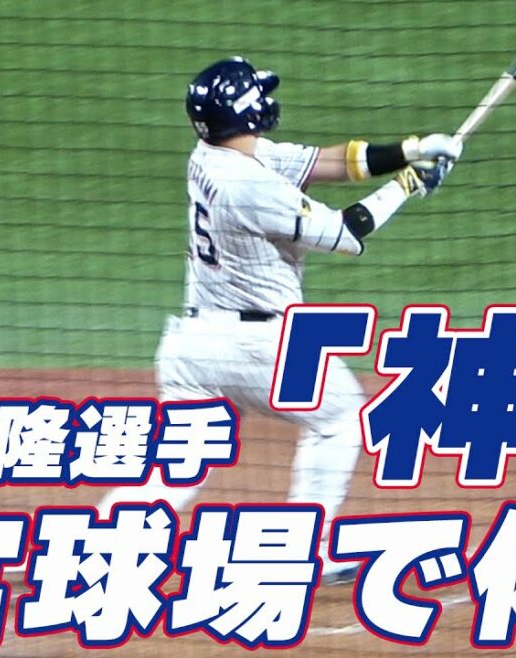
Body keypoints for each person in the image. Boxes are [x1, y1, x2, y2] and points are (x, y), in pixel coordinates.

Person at [97, 57, 462, 582]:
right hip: (255, 348)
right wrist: (407, 185)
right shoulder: (249, 185)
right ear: (248, 110)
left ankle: (99, 544)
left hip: (192, 347)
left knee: (180, 469)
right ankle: (303, 549)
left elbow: (328, 162)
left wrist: (412, 149)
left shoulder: (213, 154)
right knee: (340, 416)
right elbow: (345, 235)